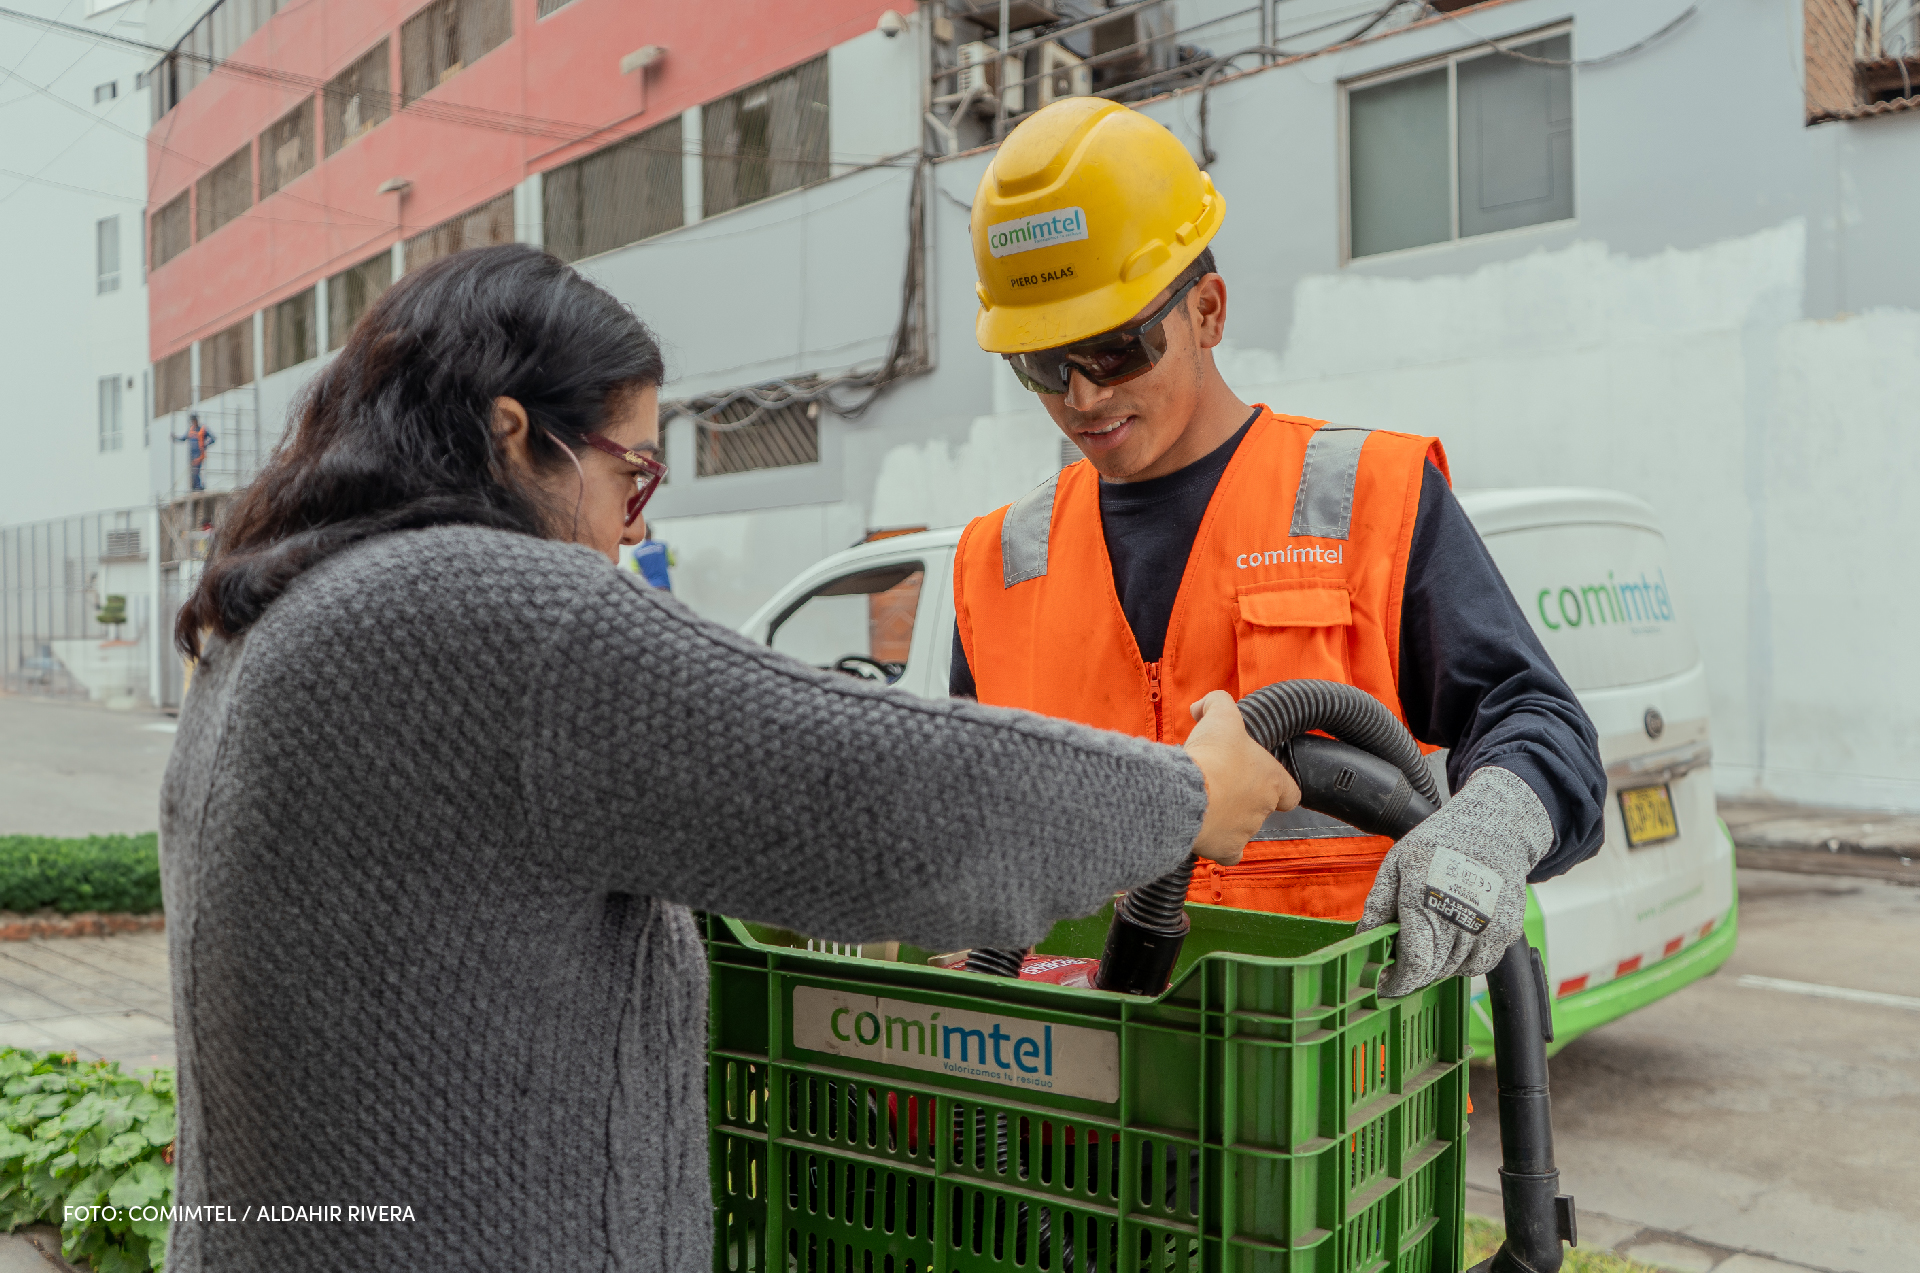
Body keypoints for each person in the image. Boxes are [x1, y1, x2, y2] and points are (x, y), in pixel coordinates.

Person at [158, 243, 1293, 1270]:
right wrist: (1185, 794)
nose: (633, 527)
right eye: (631, 474)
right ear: (513, 433)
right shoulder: (490, 605)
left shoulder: (274, 612)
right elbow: (871, 790)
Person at [951, 98, 1607, 998]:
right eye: (1040, 364)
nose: (1081, 397)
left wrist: (1486, 827)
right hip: (1077, 1102)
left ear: (1208, 311)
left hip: (1333, 1094)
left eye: (1114, 348)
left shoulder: (1370, 495)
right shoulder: (998, 562)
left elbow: (1541, 722)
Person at [173, 412, 214, 491]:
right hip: (191, 455)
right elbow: (183, 438)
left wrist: (205, 444)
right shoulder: (191, 430)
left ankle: (198, 486)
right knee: (193, 472)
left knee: (196, 471)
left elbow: (213, 439)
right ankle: (194, 487)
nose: (193, 422)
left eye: (194, 420)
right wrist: (175, 438)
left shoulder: (203, 429)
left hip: (199, 454)